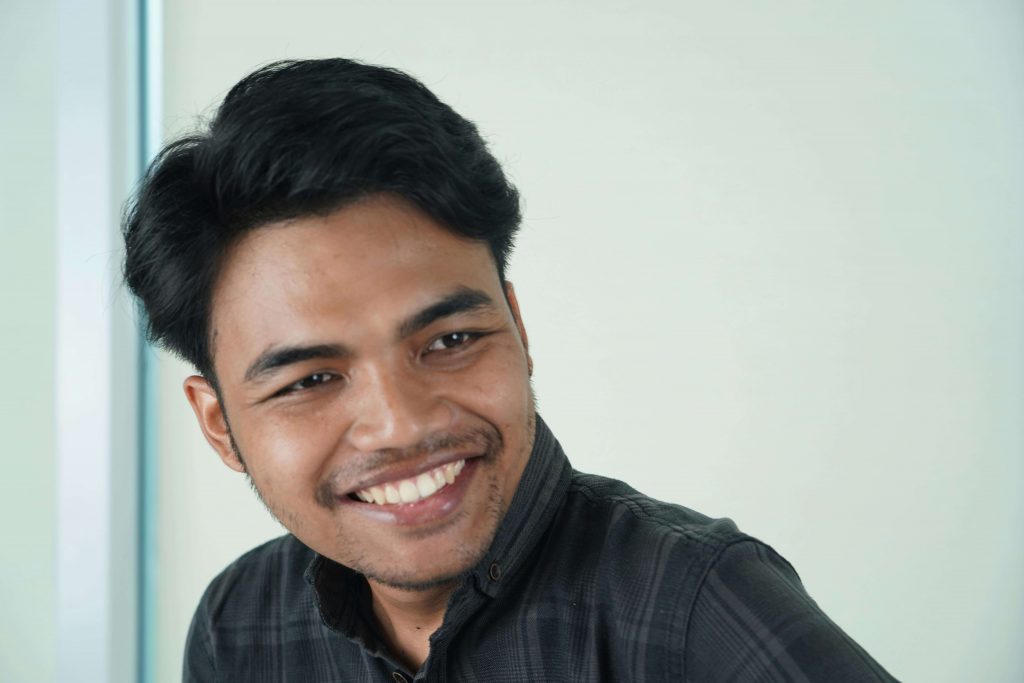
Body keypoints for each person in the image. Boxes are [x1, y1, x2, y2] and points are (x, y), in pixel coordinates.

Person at [122, 58, 896, 682]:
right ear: (220, 424)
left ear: (517, 329)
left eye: (450, 340)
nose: (401, 423)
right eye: (310, 380)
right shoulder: (240, 624)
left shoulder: (696, 606)